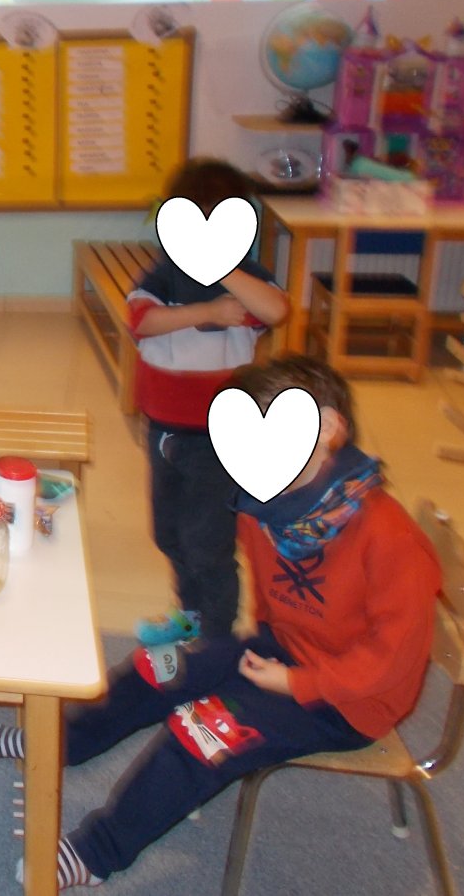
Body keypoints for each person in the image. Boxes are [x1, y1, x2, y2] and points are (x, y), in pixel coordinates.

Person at [0, 355, 442, 888]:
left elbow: (391, 663)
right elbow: (265, 601)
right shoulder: (270, 506)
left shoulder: (391, 538)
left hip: (349, 702)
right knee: (159, 665)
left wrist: (296, 683)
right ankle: (63, 742)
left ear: (328, 428)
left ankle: (99, 853)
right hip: (280, 651)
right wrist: (251, 660)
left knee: (200, 730)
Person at [128, 159, 288, 646]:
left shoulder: (246, 278)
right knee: (169, 534)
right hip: (165, 431)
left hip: (219, 439)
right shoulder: (165, 275)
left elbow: (276, 309)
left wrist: (225, 272)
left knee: (209, 543)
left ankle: (216, 640)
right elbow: (141, 321)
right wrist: (208, 311)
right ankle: (190, 617)